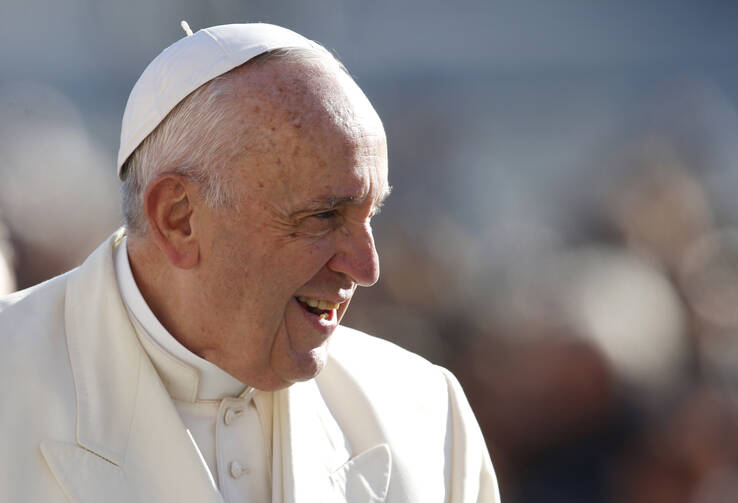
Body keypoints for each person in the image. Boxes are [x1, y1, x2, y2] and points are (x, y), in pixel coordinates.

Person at [0, 23, 499, 502]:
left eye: (371, 216)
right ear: (179, 219)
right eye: (323, 216)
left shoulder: (425, 414)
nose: (366, 267)